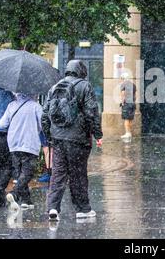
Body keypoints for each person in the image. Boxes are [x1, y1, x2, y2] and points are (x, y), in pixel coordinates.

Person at [42, 60, 103, 222]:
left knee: (58, 174)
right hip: (78, 139)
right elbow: (91, 112)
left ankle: (53, 207)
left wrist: (49, 136)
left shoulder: (54, 87)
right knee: (78, 174)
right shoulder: (85, 86)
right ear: (82, 71)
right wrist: (97, 134)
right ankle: (82, 209)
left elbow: (45, 115)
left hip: (58, 138)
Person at [0, 93, 43, 209]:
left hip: (14, 143)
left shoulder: (12, 105)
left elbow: (2, 124)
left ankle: (26, 201)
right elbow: (43, 124)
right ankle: (15, 193)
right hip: (29, 143)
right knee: (28, 172)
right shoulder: (35, 106)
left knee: (19, 173)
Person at [120, 72, 137, 140]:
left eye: (121, 78)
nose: (121, 80)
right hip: (132, 103)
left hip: (127, 103)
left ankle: (127, 133)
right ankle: (129, 133)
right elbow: (135, 95)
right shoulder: (133, 85)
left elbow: (123, 94)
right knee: (130, 119)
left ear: (123, 78)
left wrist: (123, 102)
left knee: (126, 119)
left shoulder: (123, 84)